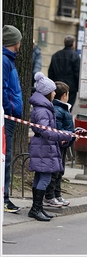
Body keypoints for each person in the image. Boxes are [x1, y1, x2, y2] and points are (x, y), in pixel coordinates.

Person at [28, 72, 73, 221]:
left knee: (40, 176)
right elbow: (47, 131)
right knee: (45, 177)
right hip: (44, 146)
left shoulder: (44, 107)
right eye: (53, 91)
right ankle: (36, 208)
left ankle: (37, 208)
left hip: (43, 146)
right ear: (47, 93)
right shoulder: (43, 110)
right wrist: (66, 135)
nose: (55, 93)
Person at [44, 81, 84, 208]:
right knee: (55, 172)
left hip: (64, 144)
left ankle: (57, 194)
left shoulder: (63, 109)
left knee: (60, 171)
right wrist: (66, 137)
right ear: (65, 95)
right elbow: (58, 128)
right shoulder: (58, 110)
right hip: (58, 145)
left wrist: (73, 134)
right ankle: (50, 196)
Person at [2, 25, 23, 213]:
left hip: (9, 116)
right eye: (19, 40)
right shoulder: (4, 60)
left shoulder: (8, 59)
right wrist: (8, 110)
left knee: (5, 157)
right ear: (14, 42)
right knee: (5, 158)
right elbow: (3, 89)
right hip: (6, 117)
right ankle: (4, 198)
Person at [48, 35, 80, 111]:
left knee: (56, 107)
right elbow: (77, 73)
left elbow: (51, 72)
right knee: (68, 108)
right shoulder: (75, 56)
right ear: (73, 44)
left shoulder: (56, 55)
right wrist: (78, 87)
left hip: (57, 86)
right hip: (70, 88)